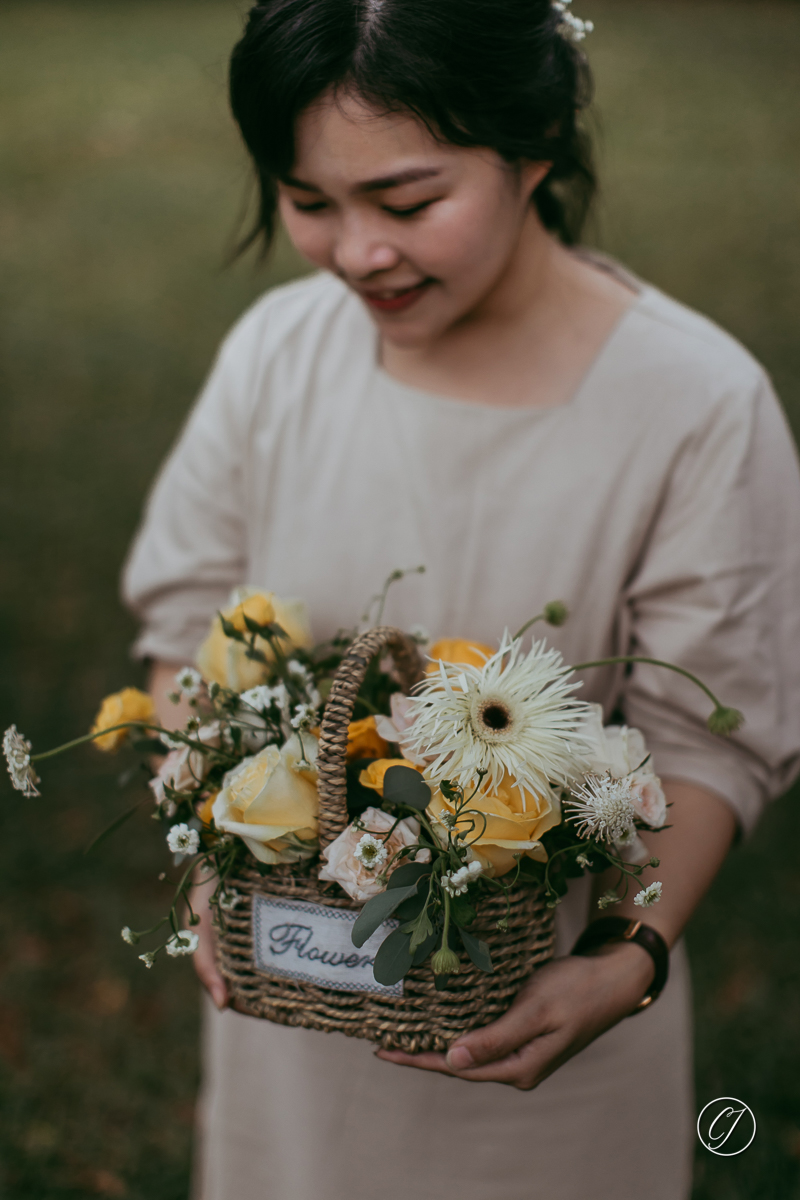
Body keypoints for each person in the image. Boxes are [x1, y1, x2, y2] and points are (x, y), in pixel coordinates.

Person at [122, 1, 800, 1197]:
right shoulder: (279, 353)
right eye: (307, 200)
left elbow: (715, 737)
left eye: (405, 201)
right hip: (293, 1036)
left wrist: (624, 954)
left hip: (539, 1026)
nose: (354, 253)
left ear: (533, 141)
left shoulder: (693, 403)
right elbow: (186, 628)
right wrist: (211, 854)